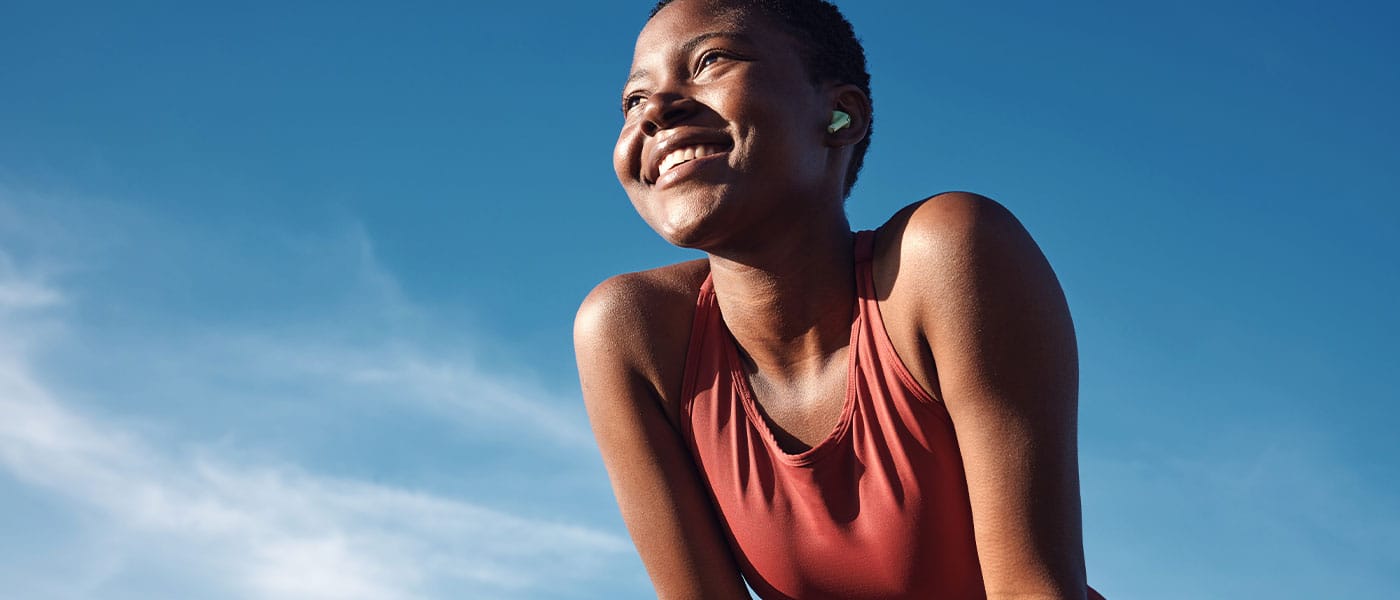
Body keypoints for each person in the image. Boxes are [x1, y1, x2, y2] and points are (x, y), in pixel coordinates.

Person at [575, 1, 1104, 598]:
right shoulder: (633, 334)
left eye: (710, 60)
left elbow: (1034, 589)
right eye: (633, 101)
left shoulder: (942, 259)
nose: (658, 111)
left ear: (840, 115)